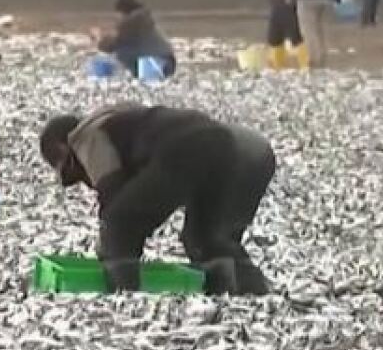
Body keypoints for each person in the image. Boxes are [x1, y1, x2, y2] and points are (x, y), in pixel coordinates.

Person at [38, 104, 274, 296]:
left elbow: (113, 190)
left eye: (73, 173)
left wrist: (108, 244)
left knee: (120, 222)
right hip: (222, 144)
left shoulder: (86, 135)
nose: (83, 179)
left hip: (183, 147)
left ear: (64, 148)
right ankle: (251, 293)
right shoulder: (122, 118)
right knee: (204, 237)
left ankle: (123, 298)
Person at [92, 0, 177, 79]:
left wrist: (98, 38)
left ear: (122, 11)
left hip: (153, 62)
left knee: (119, 53)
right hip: (168, 61)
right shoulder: (144, 20)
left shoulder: (130, 23)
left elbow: (111, 46)